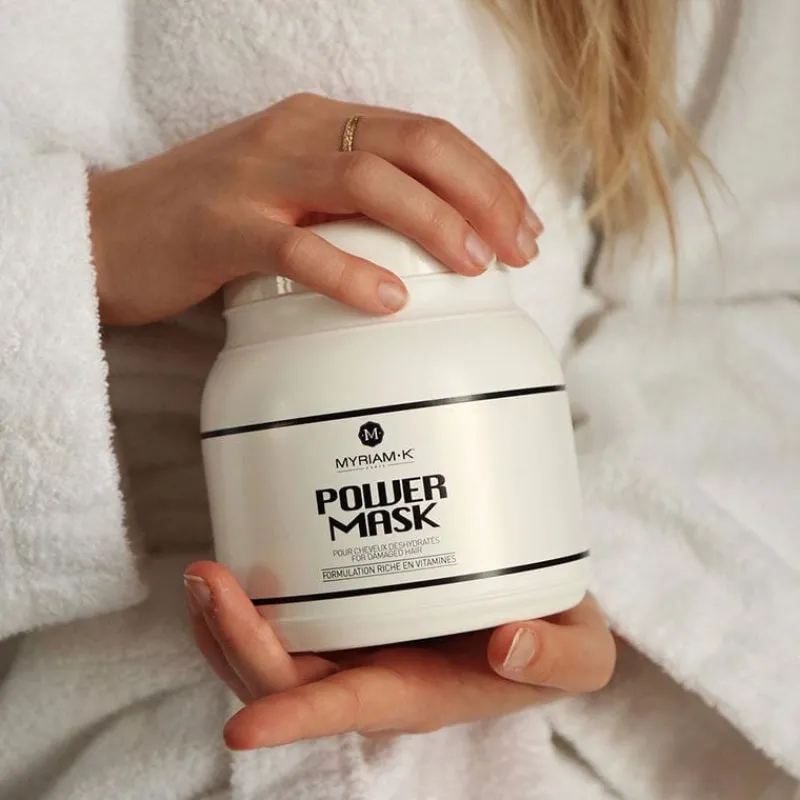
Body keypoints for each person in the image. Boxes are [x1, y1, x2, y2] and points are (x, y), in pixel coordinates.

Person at [1, 1, 798, 799]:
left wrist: (604, 570)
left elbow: (757, 293)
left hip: (568, 758)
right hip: (99, 728)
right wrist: (84, 245)